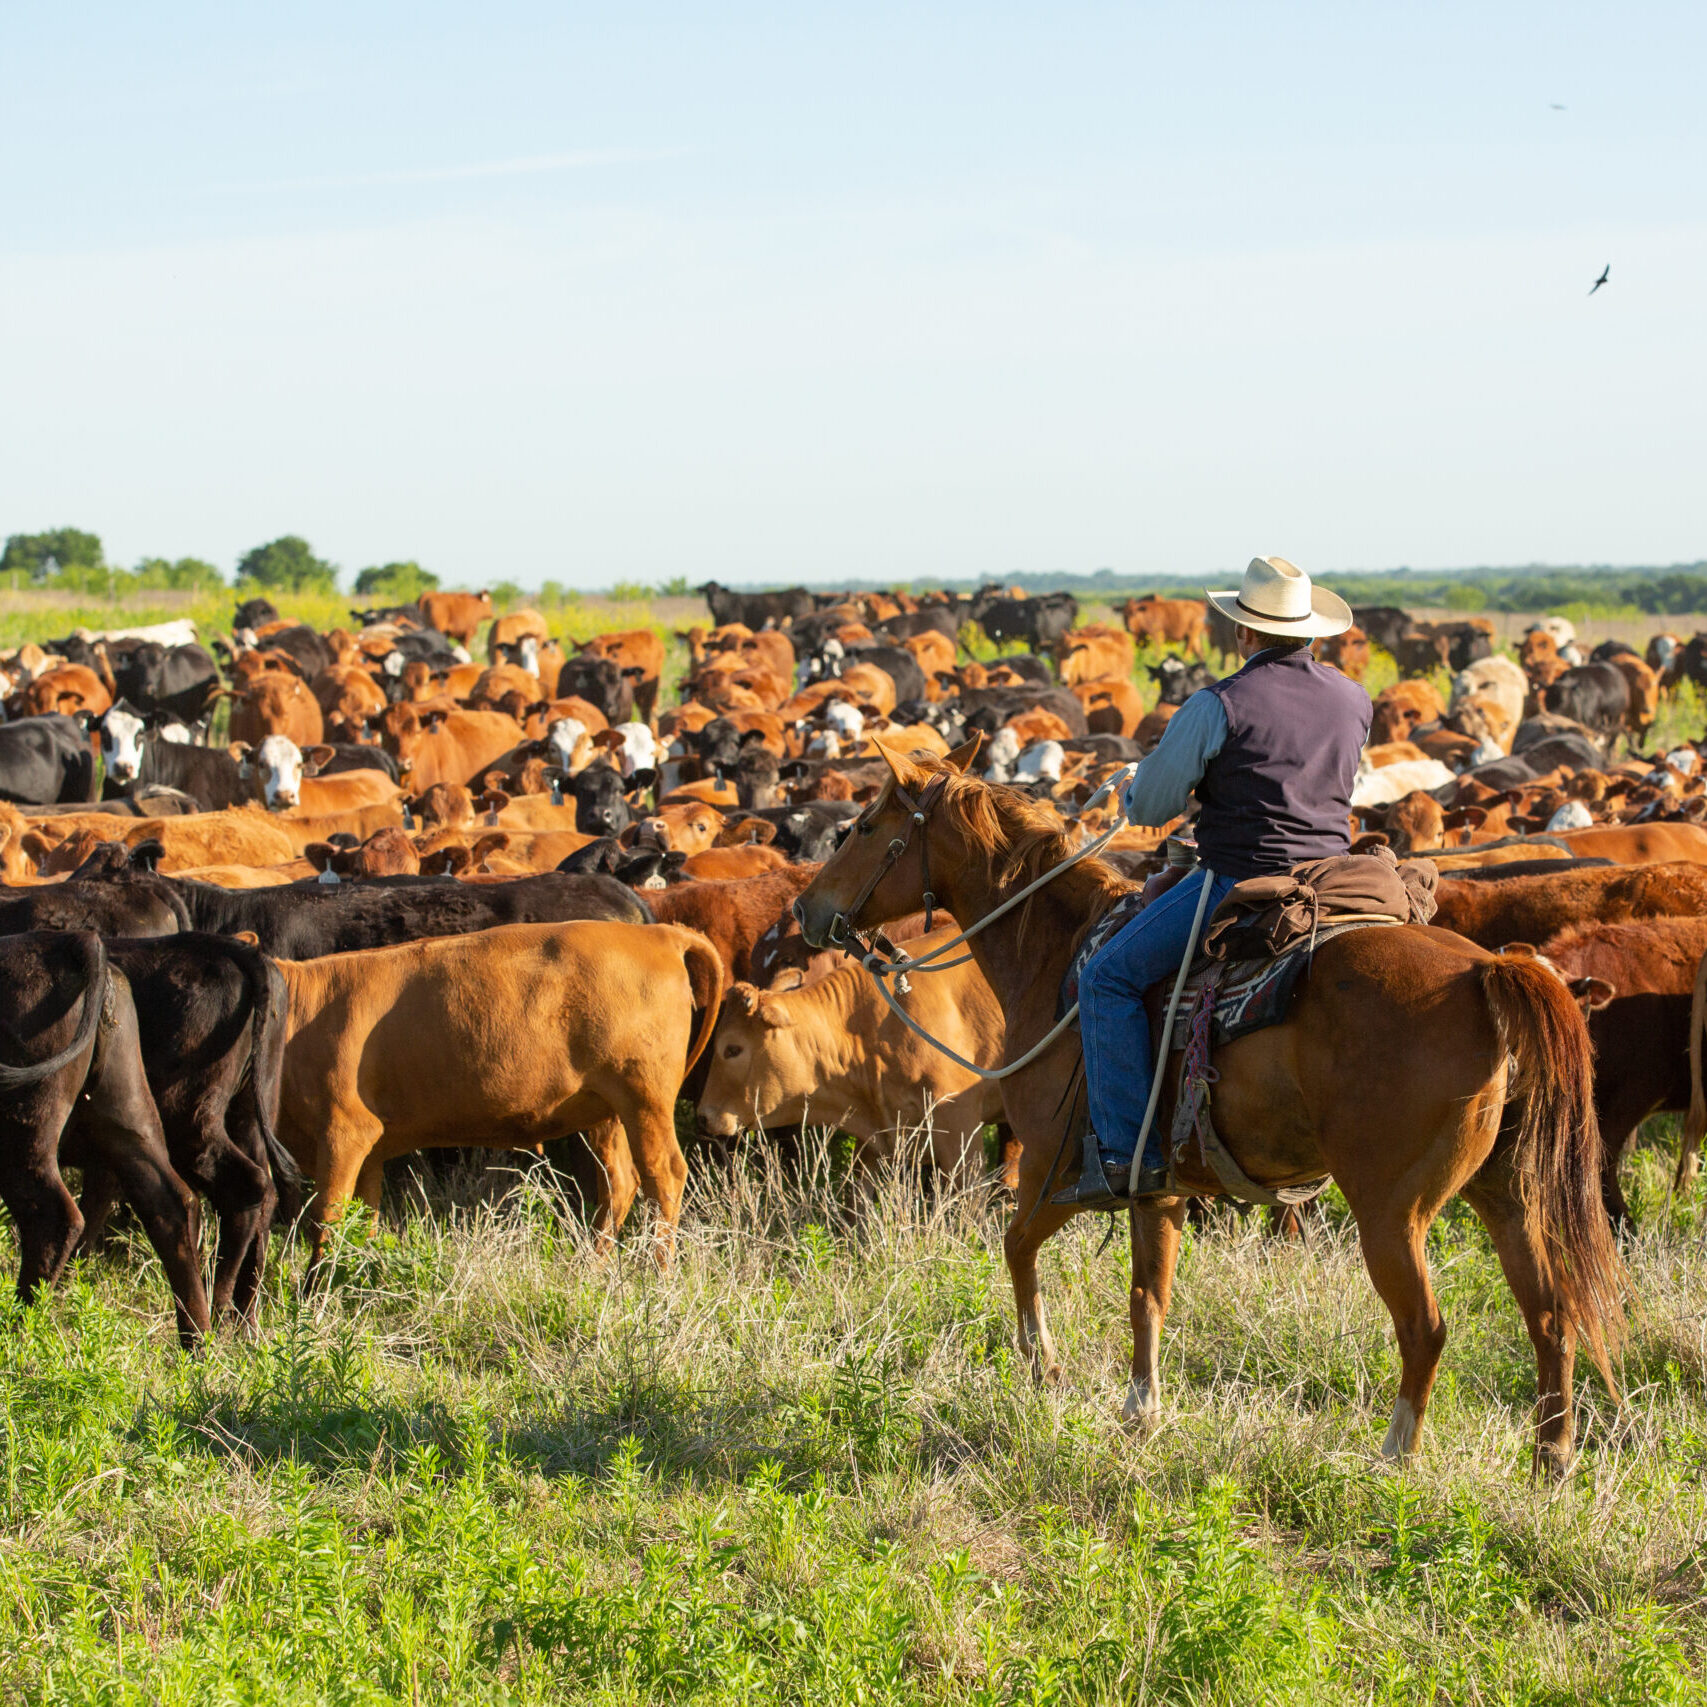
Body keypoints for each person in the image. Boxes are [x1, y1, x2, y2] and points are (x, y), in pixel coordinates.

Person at [1054, 555, 1372, 1210]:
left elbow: (1148, 809)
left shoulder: (1217, 702)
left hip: (1236, 879)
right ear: (1309, 630)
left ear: (1243, 632)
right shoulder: (1352, 697)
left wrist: (1136, 787)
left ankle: (1125, 1153)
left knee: (1105, 977)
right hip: (1337, 877)